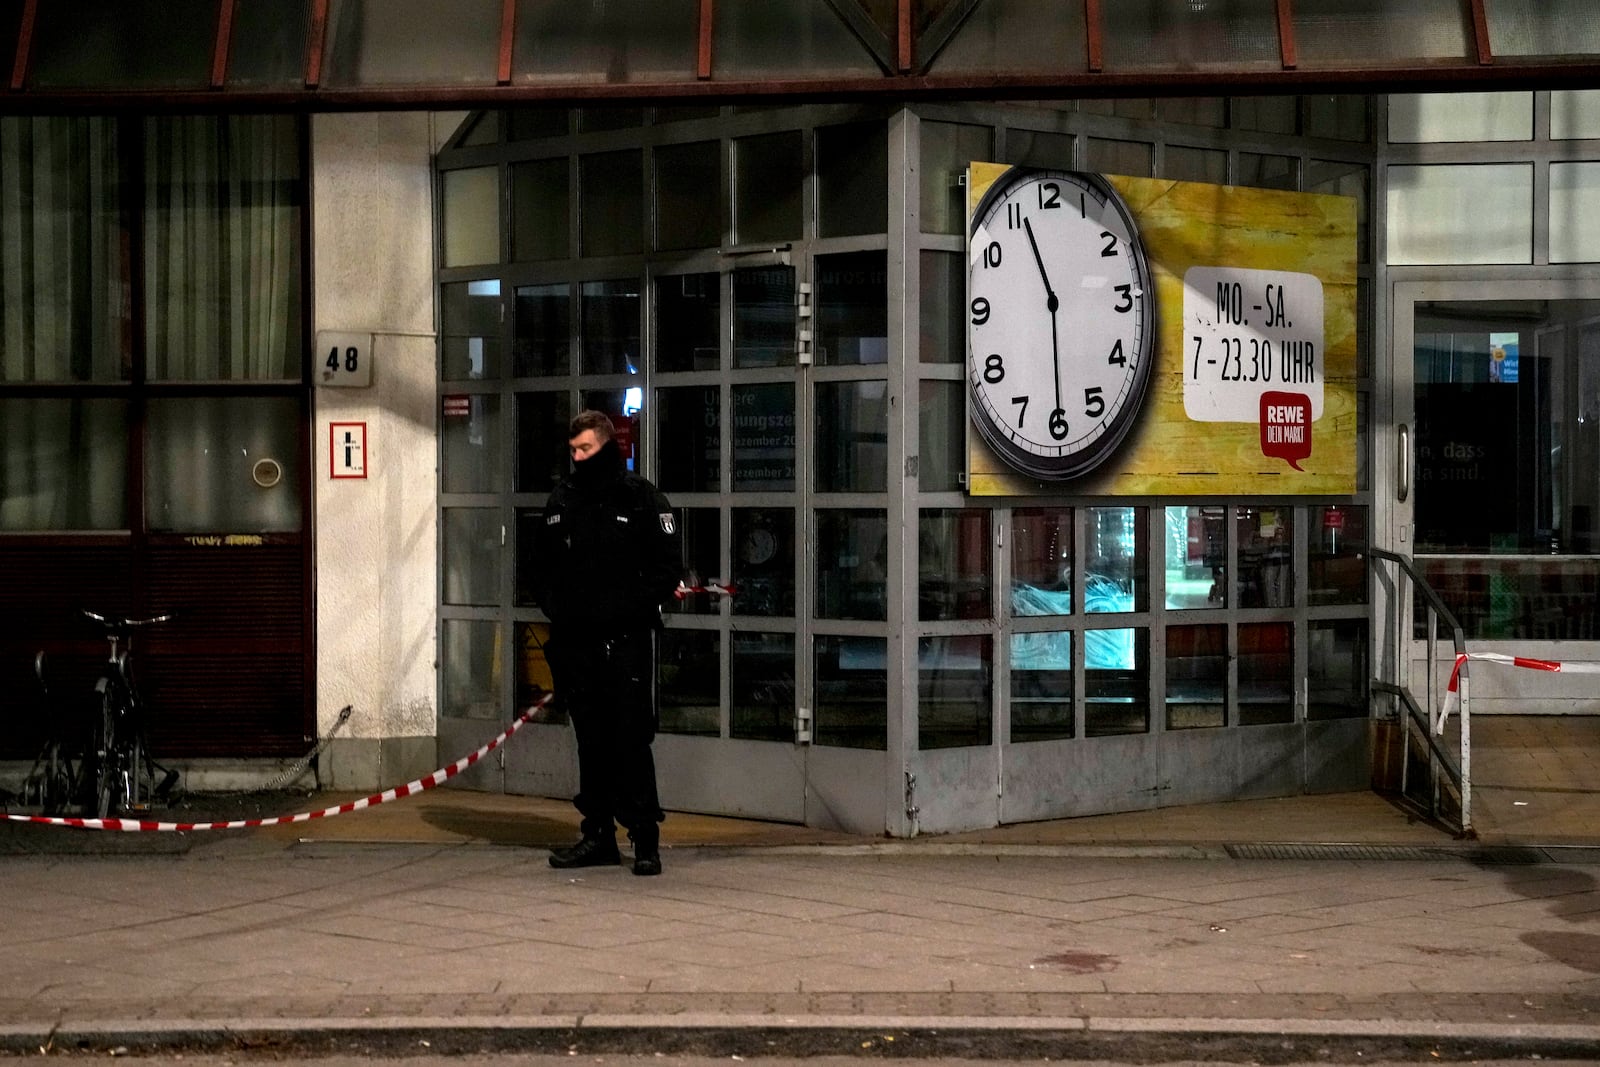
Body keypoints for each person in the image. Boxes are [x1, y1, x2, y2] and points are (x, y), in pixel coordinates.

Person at [531, 411, 682, 876]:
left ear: (606, 446)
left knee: (631, 740)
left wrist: (622, 609)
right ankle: (597, 834)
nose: (578, 458)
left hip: (626, 641)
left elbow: (665, 569)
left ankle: (645, 838)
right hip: (577, 643)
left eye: (585, 450)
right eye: (573, 451)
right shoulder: (564, 499)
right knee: (591, 741)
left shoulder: (640, 499)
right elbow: (542, 568)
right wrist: (559, 609)